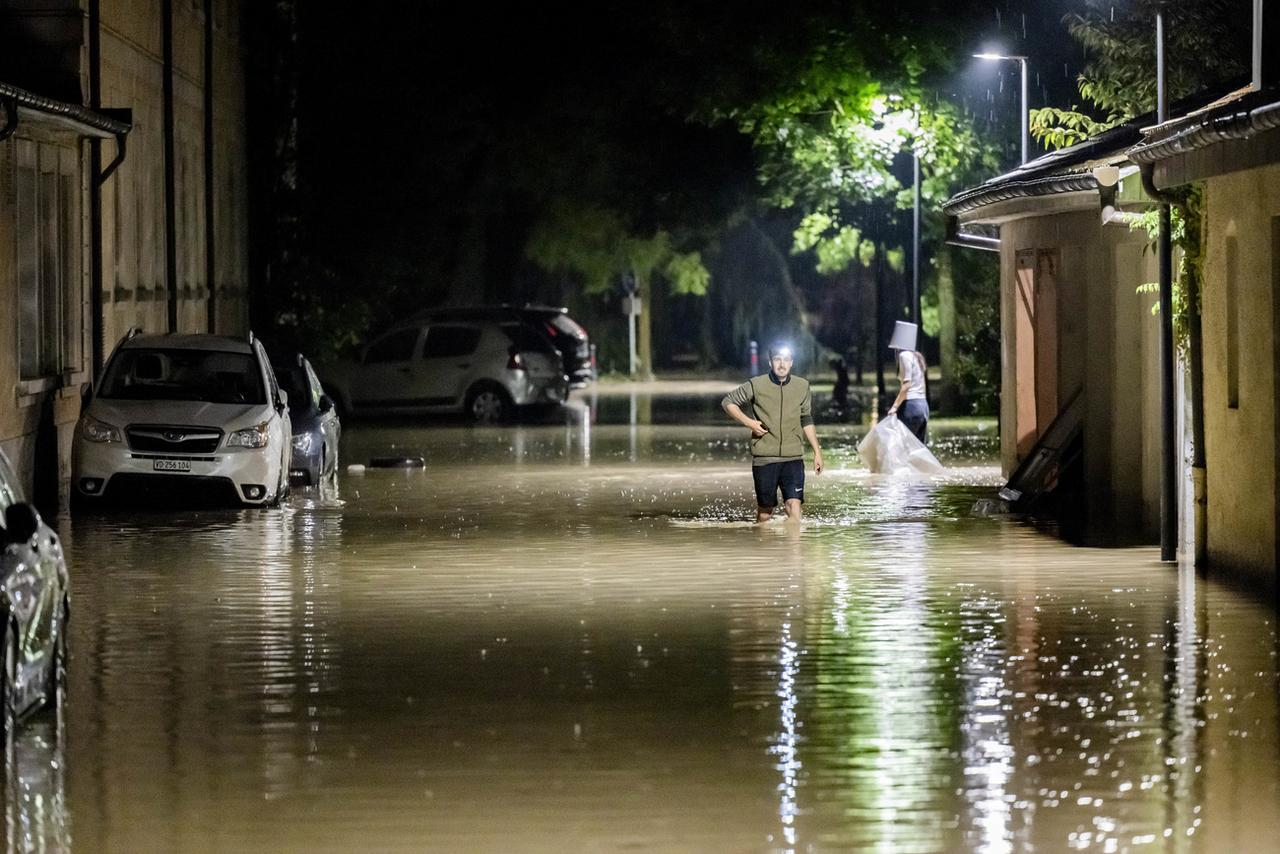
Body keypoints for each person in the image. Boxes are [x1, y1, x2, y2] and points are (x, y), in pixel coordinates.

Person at [721, 342, 824, 523]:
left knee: (795, 506)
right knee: (765, 512)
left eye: (786, 360)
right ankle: (765, 550)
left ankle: (794, 550)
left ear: (791, 362)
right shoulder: (756, 384)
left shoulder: (802, 386)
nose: (782, 364)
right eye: (777, 359)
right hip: (765, 458)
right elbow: (728, 402)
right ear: (770, 362)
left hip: (793, 457)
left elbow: (806, 418)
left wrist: (817, 451)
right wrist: (749, 423)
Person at [886, 320, 929, 444]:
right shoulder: (917, 356)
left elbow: (907, 384)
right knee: (918, 447)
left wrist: (894, 407)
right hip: (923, 406)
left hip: (911, 406)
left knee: (902, 445)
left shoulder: (904, 356)